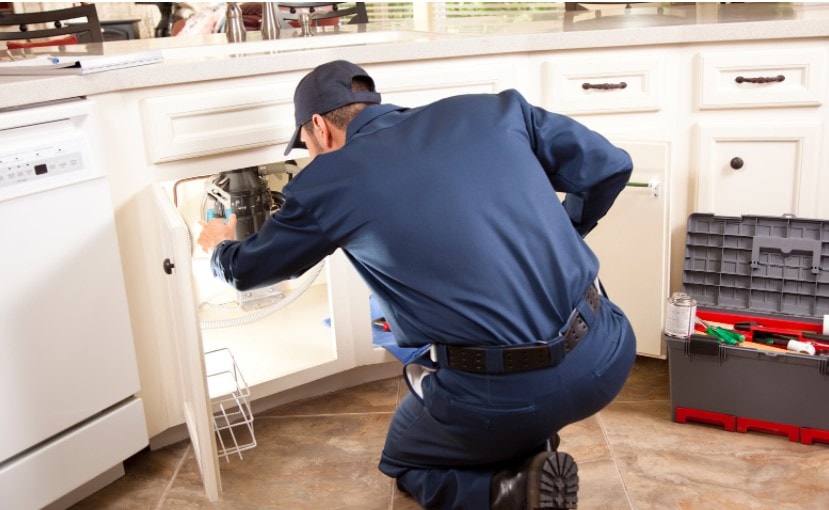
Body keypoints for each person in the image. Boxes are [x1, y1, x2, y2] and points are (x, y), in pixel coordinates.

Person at [198, 59, 637, 510]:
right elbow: (610, 166)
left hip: (507, 393)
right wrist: (566, 229)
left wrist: (217, 246)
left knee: (406, 459)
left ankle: (512, 491)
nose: (310, 155)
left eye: (306, 145)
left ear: (319, 127)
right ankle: (524, 432)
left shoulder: (328, 181)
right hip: (606, 353)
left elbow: (246, 271)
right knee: (483, 383)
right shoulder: (494, 110)